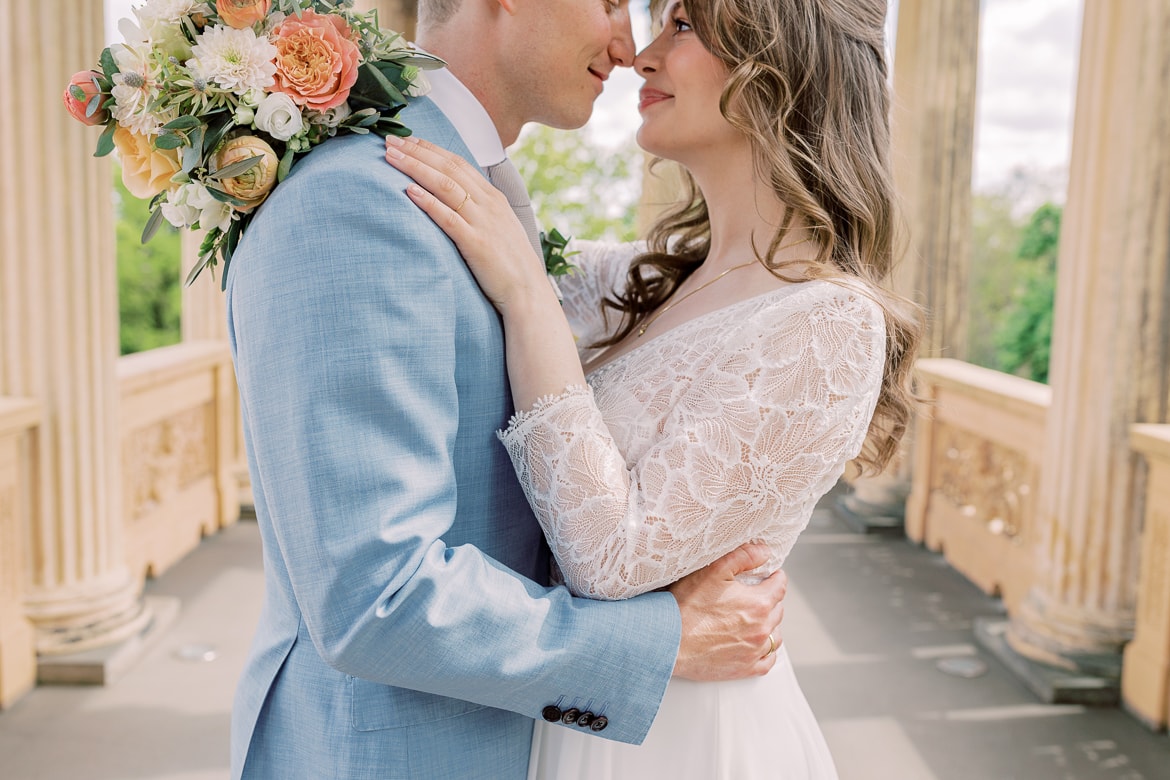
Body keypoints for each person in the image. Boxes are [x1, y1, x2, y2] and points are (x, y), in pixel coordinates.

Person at [225, 0, 789, 778]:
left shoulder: (461, 191)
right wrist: (664, 643)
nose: (630, 47)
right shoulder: (362, 201)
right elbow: (374, 596)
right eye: (612, 3)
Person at [383, 0, 921, 776]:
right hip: (586, 711)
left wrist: (528, 297)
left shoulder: (830, 323)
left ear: (782, 66)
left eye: (683, 26)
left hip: (683, 739)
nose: (641, 55)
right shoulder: (656, 279)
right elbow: (491, 239)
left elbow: (613, 558)